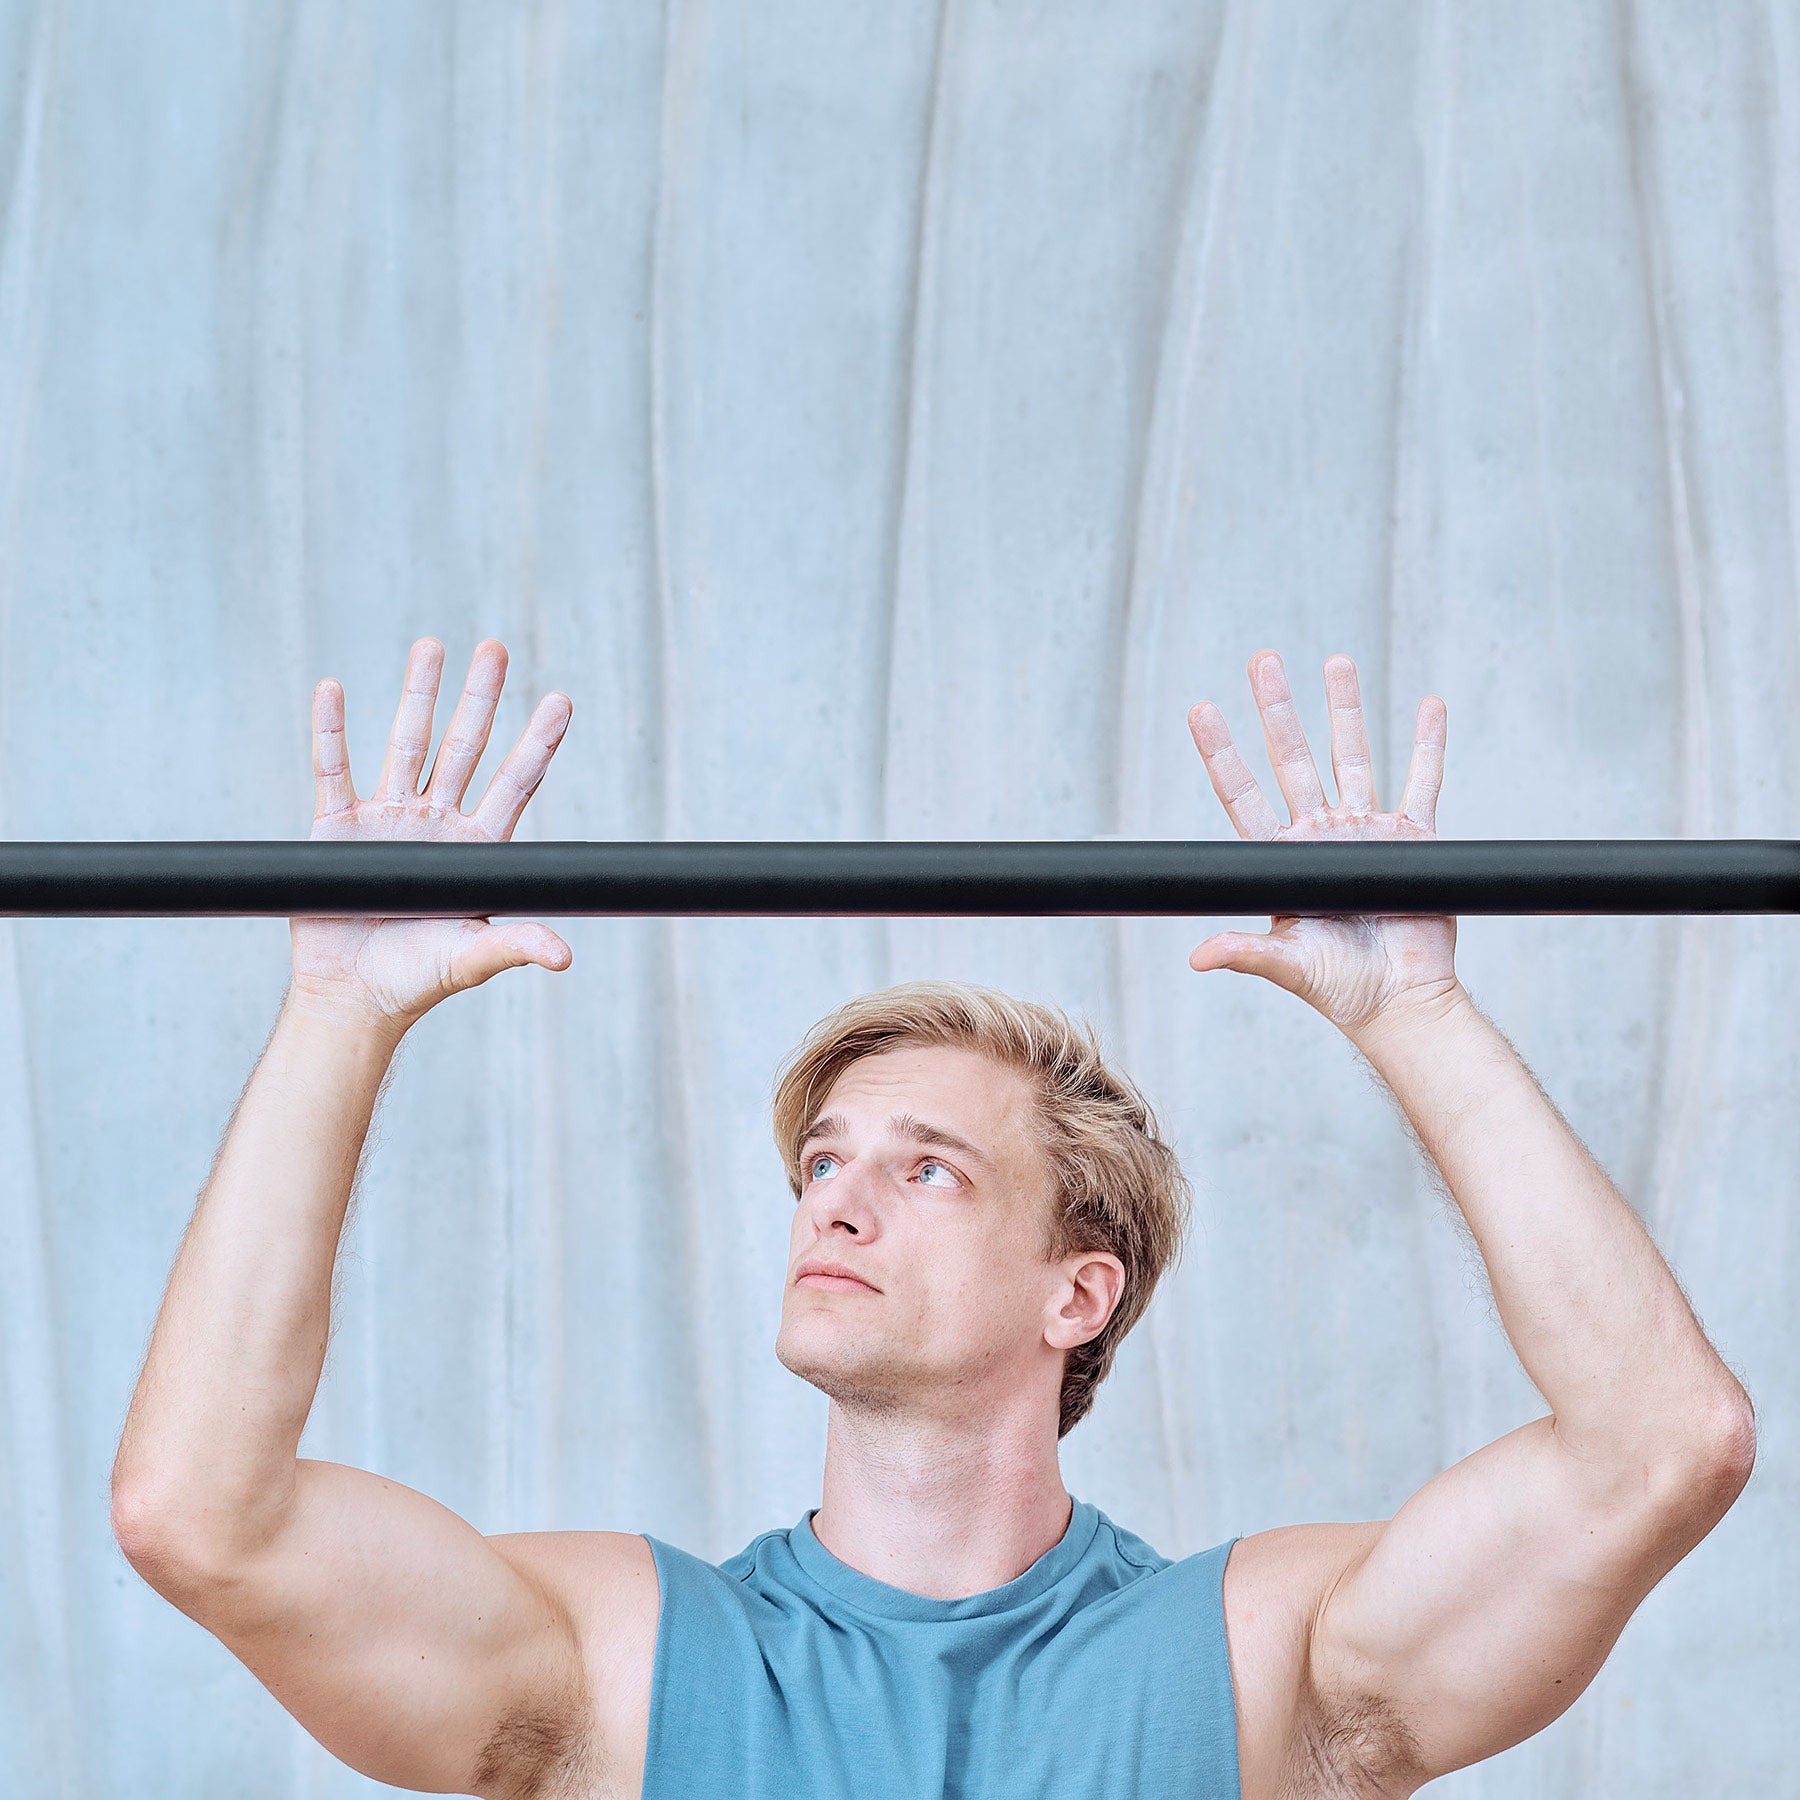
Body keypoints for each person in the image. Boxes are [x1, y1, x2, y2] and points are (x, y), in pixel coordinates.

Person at [110, 636, 1757, 1800]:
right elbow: (202, 1515)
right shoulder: (627, 1659)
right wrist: (338, 1015)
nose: (838, 1199)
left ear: (1077, 1294)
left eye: (926, 1167)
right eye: (824, 1161)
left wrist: (1418, 1016)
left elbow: (1661, 1446)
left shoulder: (1261, 1661)